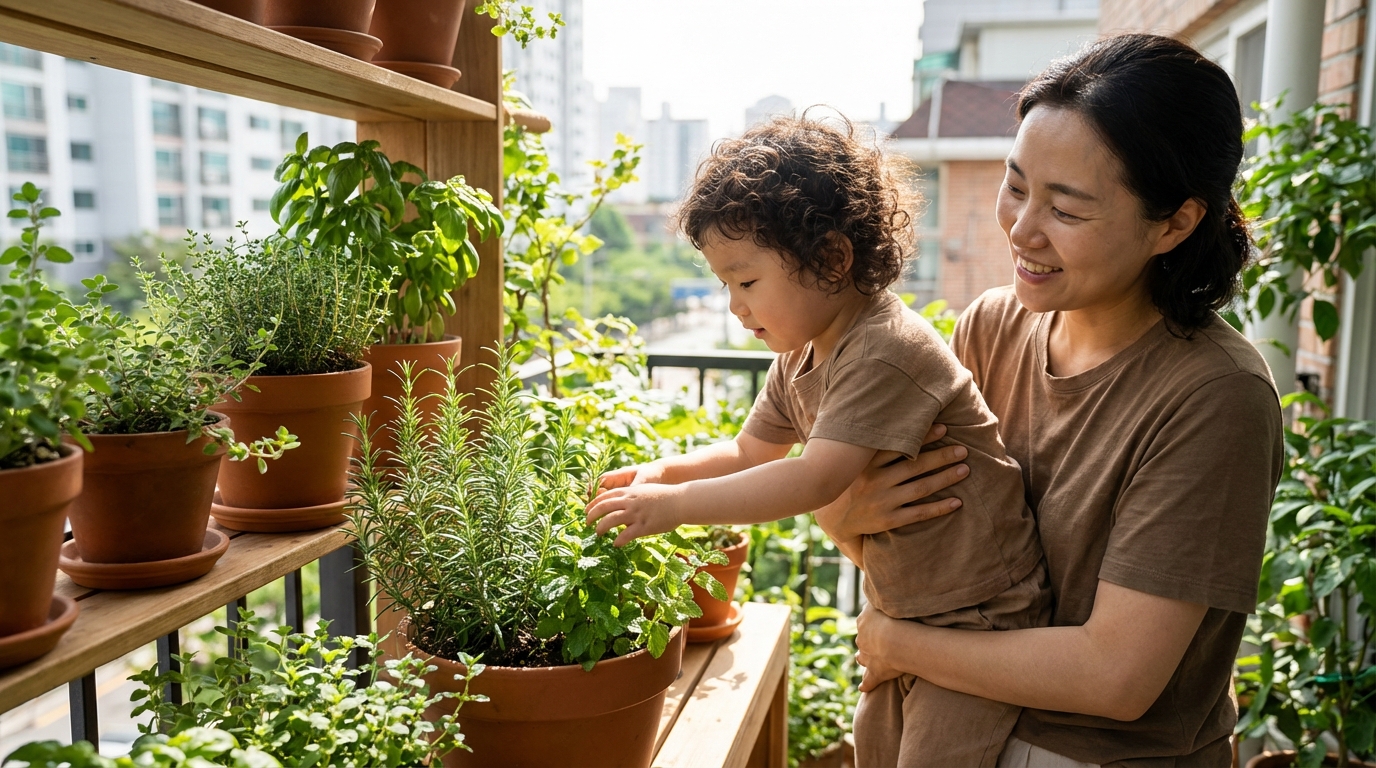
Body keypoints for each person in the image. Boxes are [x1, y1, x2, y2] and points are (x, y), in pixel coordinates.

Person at [820, 34, 1285, 766]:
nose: (1022, 228)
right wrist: (840, 513)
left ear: (1175, 222)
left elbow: (1116, 676)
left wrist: (895, 643)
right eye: (1016, 186)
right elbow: (931, 554)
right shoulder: (991, 326)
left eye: (1066, 210)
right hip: (941, 721)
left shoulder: (1215, 396)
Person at [584, 115, 1049, 765]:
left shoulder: (883, 347)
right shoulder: (799, 355)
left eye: (747, 282)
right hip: (908, 608)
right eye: (725, 285)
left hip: (981, 613)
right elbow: (748, 453)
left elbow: (814, 478)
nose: (735, 306)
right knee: (874, 749)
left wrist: (675, 508)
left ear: (831, 260)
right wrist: (659, 475)